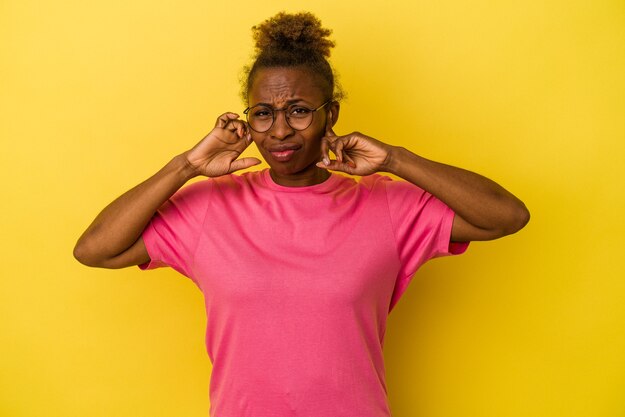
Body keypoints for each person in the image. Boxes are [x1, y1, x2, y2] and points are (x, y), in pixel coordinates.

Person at [74, 11, 529, 417]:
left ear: (330, 114)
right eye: (263, 114)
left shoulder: (385, 204)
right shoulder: (211, 207)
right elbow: (95, 249)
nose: (280, 131)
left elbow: (505, 216)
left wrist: (395, 159)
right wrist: (186, 167)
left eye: (298, 111)